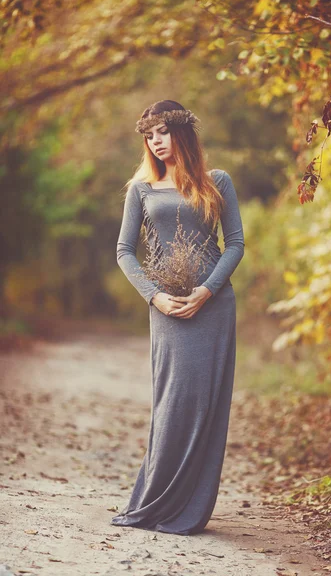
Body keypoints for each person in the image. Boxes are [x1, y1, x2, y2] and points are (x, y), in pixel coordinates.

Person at [110, 99, 245, 535]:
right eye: (149, 136)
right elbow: (124, 251)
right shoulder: (142, 189)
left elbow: (235, 244)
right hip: (167, 309)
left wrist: (208, 290)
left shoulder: (217, 181)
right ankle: (155, 502)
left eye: (162, 132)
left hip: (214, 306)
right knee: (172, 403)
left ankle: (191, 509)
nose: (155, 142)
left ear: (182, 133)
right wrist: (154, 297)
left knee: (206, 405)